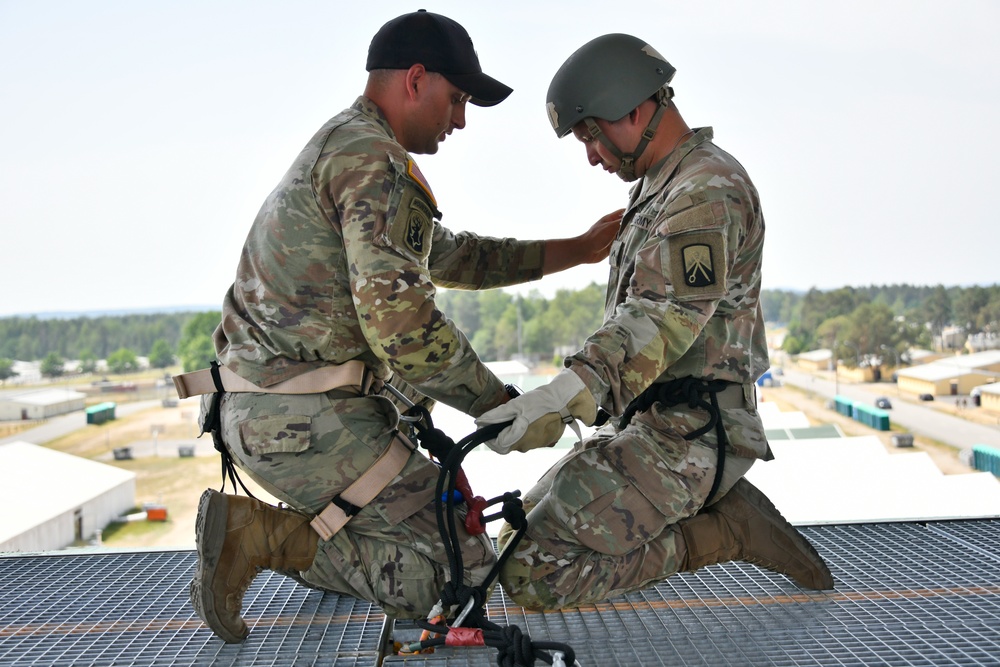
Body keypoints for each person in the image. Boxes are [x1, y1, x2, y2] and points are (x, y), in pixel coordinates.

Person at [181, 11, 620, 643]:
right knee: (462, 574)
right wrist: (502, 407)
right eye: (458, 99)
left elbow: (454, 257)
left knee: (444, 524)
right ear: (416, 79)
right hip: (301, 421)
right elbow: (404, 329)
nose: (461, 120)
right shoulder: (372, 161)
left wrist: (573, 250)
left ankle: (279, 535)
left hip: (286, 409)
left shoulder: (351, 145)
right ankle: (258, 538)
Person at [475, 33, 834, 611]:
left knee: (531, 572)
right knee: (512, 535)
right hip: (649, 423)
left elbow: (662, 317)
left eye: (591, 134)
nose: (590, 154)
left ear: (635, 110)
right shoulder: (659, 186)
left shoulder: (705, 191)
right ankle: (710, 513)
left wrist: (568, 392)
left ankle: (725, 531)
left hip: (692, 432)